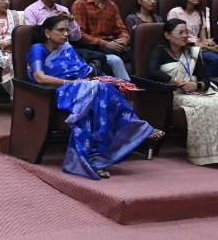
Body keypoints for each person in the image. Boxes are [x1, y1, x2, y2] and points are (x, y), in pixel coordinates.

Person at [27, 14, 158, 180]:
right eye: (60, 30)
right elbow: (40, 78)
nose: (65, 34)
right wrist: (72, 82)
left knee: (100, 99)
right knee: (101, 87)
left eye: (66, 30)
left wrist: (85, 82)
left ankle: (95, 161)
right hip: (56, 92)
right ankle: (134, 125)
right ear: (47, 32)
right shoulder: (37, 49)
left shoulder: (66, 48)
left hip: (80, 88)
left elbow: (83, 70)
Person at [148, 18, 218, 168]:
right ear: (167, 35)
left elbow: (205, 78)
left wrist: (197, 85)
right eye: (180, 32)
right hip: (175, 94)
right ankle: (211, 155)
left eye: (187, 32)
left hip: (196, 91)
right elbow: (152, 72)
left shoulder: (192, 52)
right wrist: (176, 81)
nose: (185, 35)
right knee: (206, 106)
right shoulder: (160, 51)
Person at [70, 0, 132, 81]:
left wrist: (123, 40)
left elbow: (121, 29)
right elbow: (80, 35)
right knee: (116, 60)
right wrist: (105, 44)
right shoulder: (80, 5)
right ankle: (128, 89)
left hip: (111, 46)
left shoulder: (112, 6)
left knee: (137, 53)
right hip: (91, 48)